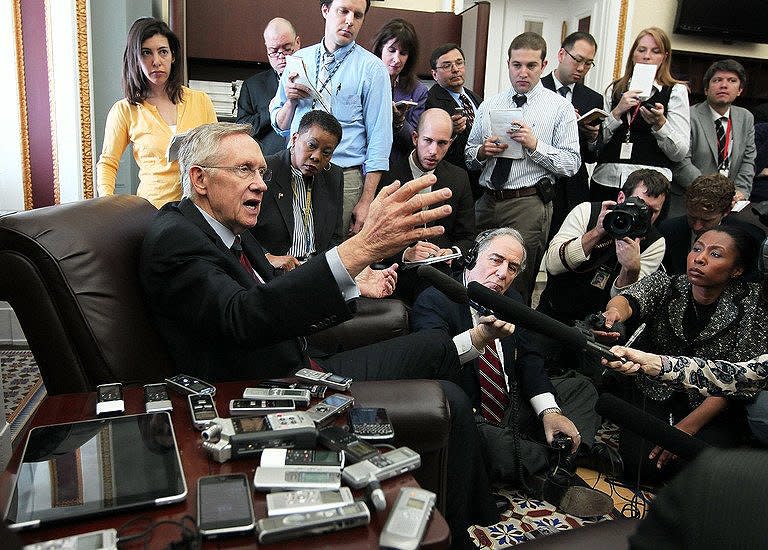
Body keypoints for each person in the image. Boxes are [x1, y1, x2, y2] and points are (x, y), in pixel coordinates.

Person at [139, 122, 498, 547]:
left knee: (436, 346)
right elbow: (245, 316)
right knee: (450, 401)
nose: (259, 184)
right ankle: (458, 534)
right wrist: (360, 248)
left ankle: (481, 486)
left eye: (261, 172)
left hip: (304, 365)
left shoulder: (232, 230)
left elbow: (278, 296)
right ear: (199, 178)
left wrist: (353, 282)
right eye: (244, 171)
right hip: (271, 392)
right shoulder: (176, 238)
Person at [411, 228, 610, 518]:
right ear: (471, 258)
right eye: (496, 260)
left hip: (510, 404)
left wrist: (550, 412)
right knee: (481, 441)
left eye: (512, 267)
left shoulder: (512, 301)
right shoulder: (435, 298)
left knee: (581, 389)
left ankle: (541, 459)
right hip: (470, 413)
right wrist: (479, 337)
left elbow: (529, 360)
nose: (503, 273)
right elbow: (432, 362)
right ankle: (558, 465)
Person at [597, 226, 768, 482]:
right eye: (697, 248)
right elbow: (628, 299)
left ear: (737, 269)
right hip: (656, 389)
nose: (700, 258)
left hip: (713, 403)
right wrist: (613, 315)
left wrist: (684, 430)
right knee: (640, 465)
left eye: (716, 254)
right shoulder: (668, 283)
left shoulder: (753, 304)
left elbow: (738, 379)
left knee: (698, 470)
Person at [465, 32, 580, 303]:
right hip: (487, 200)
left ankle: (511, 340)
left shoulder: (559, 108)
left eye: (531, 66)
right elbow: (468, 156)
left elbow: (571, 164)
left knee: (516, 283)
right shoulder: (490, 103)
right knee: (473, 270)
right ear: (508, 64)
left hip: (527, 203)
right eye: (517, 65)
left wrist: (535, 145)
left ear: (544, 65)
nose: (523, 72)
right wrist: (483, 151)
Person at [270, 0, 392, 236]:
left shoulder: (373, 69)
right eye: (343, 11)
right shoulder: (298, 60)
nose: (349, 21)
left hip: (345, 177)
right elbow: (280, 126)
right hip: (296, 171)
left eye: (357, 15)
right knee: (293, 245)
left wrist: (367, 201)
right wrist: (291, 101)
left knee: (338, 253)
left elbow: (380, 138)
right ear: (325, 11)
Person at [96, 17, 217, 208]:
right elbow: (108, 163)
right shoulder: (125, 110)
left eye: (163, 52)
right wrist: (107, 204)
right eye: (146, 53)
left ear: (173, 56)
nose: (156, 61)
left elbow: (216, 155)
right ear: (135, 58)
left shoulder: (200, 101)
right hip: (152, 210)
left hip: (200, 206)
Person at [539, 169, 668, 327]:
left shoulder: (655, 242)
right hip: (554, 314)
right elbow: (553, 265)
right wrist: (597, 232)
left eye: (653, 211)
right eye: (639, 205)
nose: (645, 215)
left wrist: (631, 270)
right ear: (621, 198)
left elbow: (627, 303)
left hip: (600, 326)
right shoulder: (587, 212)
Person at [379, 108, 476, 302]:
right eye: (428, 141)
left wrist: (452, 253)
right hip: (396, 272)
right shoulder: (387, 174)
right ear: (415, 138)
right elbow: (375, 236)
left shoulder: (458, 177)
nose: (434, 151)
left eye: (442, 143)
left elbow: (467, 236)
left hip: (440, 275)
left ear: (450, 143)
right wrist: (406, 254)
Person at [590, 27, 690, 204]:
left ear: (664, 57)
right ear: (633, 55)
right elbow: (595, 144)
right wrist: (617, 112)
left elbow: (679, 153)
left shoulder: (675, 91)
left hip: (651, 189)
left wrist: (660, 124)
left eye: (655, 51)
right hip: (607, 181)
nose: (647, 56)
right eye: (641, 50)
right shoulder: (614, 89)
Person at [249, 110, 345, 272]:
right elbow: (241, 231)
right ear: (295, 139)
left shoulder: (333, 176)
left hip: (317, 270)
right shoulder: (265, 171)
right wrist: (266, 257)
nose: (316, 156)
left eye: (326, 152)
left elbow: (334, 236)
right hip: (276, 272)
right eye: (312, 145)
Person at [541, 32, 604, 238]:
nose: (581, 68)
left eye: (588, 63)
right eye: (577, 60)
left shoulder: (592, 98)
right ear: (561, 54)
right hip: (541, 182)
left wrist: (592, 137)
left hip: (574, 187)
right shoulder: (537, 89)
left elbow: (592, 155)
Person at [672, 59, 755, 213]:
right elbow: (681, 162)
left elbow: (748, 161)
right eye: (717, 80)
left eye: (732, 81)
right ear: (706, 89)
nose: (724, 85)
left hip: (730, 204)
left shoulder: (746, 118)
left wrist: (740, 192)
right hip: (691, 201)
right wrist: (712, 193)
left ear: (740, 90)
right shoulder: (689, 116)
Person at [236, 18, 300, 156]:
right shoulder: (253, 85)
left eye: (287, 49)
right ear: (267, 50)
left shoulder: (314, 77)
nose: (281, 56)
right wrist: (272, 111)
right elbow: (242, 129)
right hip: (268, 162)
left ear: (298, 43)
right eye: (273, 51)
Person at [425, 43, 483, 195]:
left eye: (459, 63)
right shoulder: (430, 101)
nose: (455, 69)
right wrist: (452, 131)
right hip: (450, 181)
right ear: (434, 74)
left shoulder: (475, 98)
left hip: (480, 181)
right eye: (446, 65)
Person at [371, 18, 429, 165]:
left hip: (396, 165)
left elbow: (414, 141)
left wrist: (399, 121)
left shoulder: (418, 90)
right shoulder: (364, 80)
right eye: (391, 50)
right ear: (380, 49)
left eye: (403, 53)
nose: (396, 59)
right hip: (363, 160)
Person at [658, 173, 734, 275]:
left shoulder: (740, 239)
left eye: (706, 220)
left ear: (726, 211)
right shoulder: (667, 231)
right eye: (692, 217)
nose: (697, 226)